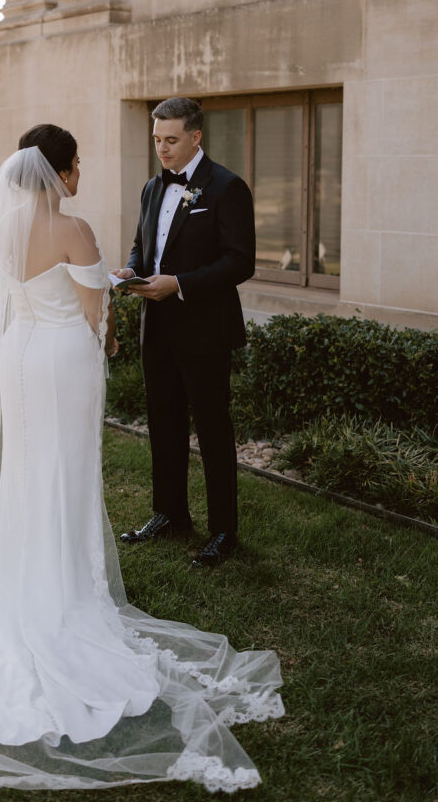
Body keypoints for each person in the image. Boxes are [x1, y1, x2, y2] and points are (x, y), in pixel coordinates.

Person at [0, 124, 282, 801]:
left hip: (16, 358)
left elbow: (13, 295)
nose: (81, 171)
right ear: (58, 170)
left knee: (29, 475)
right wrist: (110, 332)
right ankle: (62, 601)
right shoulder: (74, 228)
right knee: (62, 474)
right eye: (77, 162)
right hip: (62, 361)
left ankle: (27, 585)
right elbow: (94, 313)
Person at [113, 98, 255, 567]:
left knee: (213, 429)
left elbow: (240, 261)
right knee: (163, 423)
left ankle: (223, 532)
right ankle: (170, 513)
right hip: (157, 328)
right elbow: (142, 245)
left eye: (171, 140)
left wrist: (181, 284)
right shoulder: (153, 187)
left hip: (205, 330)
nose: (163, 149)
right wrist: (131, 271)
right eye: (157, 140)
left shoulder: (228, 187)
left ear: (196, 137)